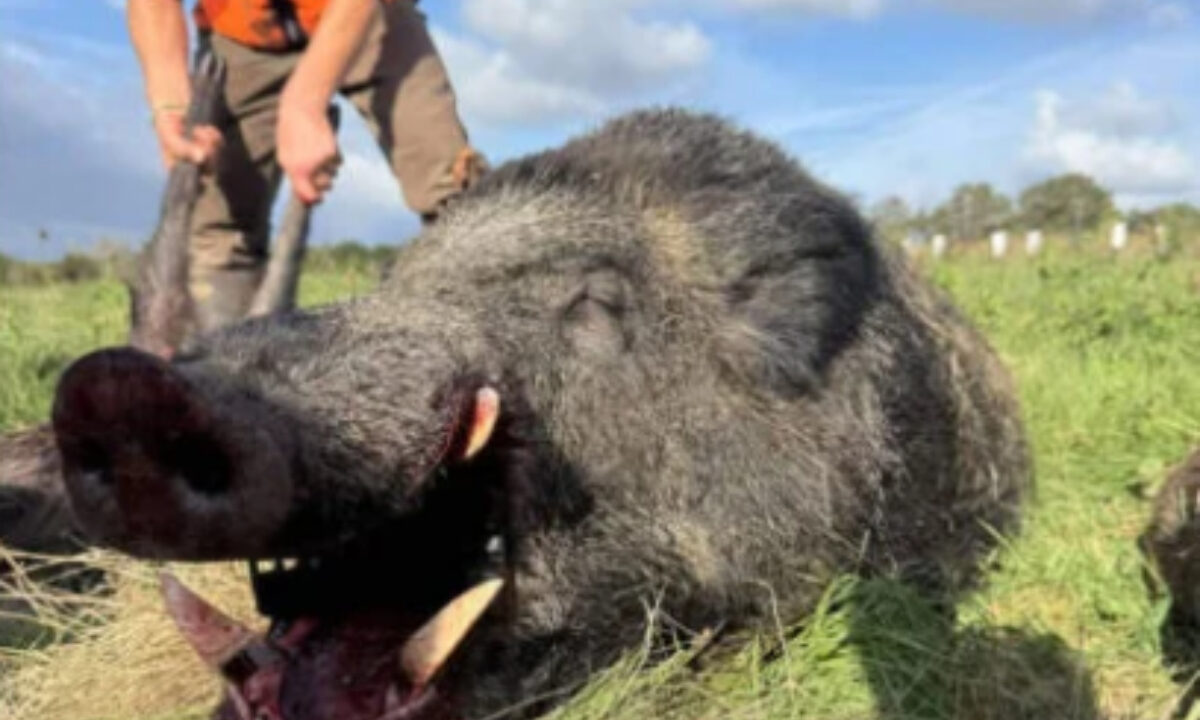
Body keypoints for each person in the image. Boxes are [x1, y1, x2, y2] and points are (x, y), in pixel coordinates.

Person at [128, 0, 487, 329]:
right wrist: (170, 104)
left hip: (370, 17)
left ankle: (489, 362)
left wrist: (305, 103)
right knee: (217, 228)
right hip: (239, 28)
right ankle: (226, 376)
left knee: (457, 195)